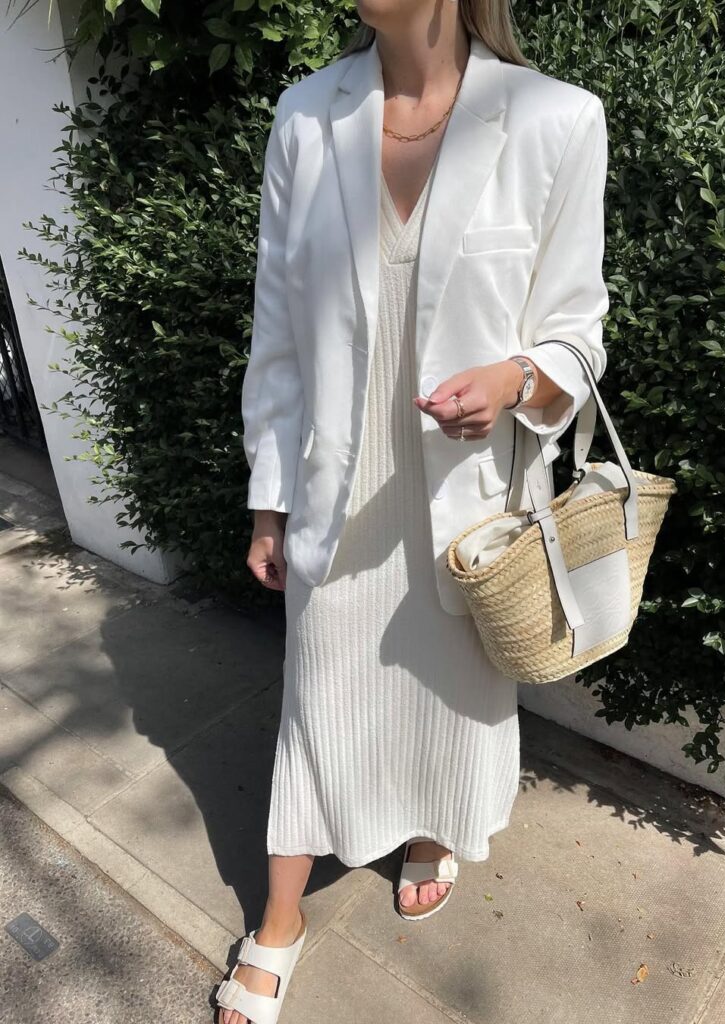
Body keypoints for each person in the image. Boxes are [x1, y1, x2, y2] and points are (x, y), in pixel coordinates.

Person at [216, 1, 609, 1021]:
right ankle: (279, 919)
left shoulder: (557, 119)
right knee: (315, 702)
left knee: (447, 709)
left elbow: (578, 332)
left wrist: (517, 379)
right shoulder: (308, 117)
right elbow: (278, 333)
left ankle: (434, 829)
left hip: (463, 504)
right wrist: (269, 498)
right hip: (338, 492)